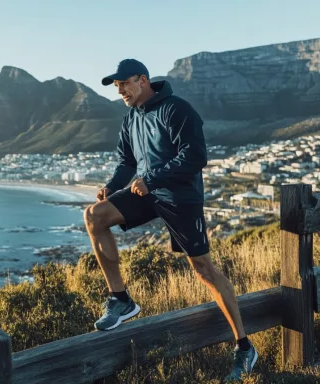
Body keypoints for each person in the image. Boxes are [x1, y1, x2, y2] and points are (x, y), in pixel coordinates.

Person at [82, 58, 258, 381]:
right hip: (147, 194)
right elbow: (126, 163)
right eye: (117, 86)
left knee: (204, 270)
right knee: (94, 216)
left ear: (143, 81)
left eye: (124, 83)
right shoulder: (130, 120)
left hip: (180, 197)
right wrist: (111, 186)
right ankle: (120, 300)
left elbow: (195, 155)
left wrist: (154, 178)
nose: (120, 90)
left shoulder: (177, 109)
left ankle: (245, 348)